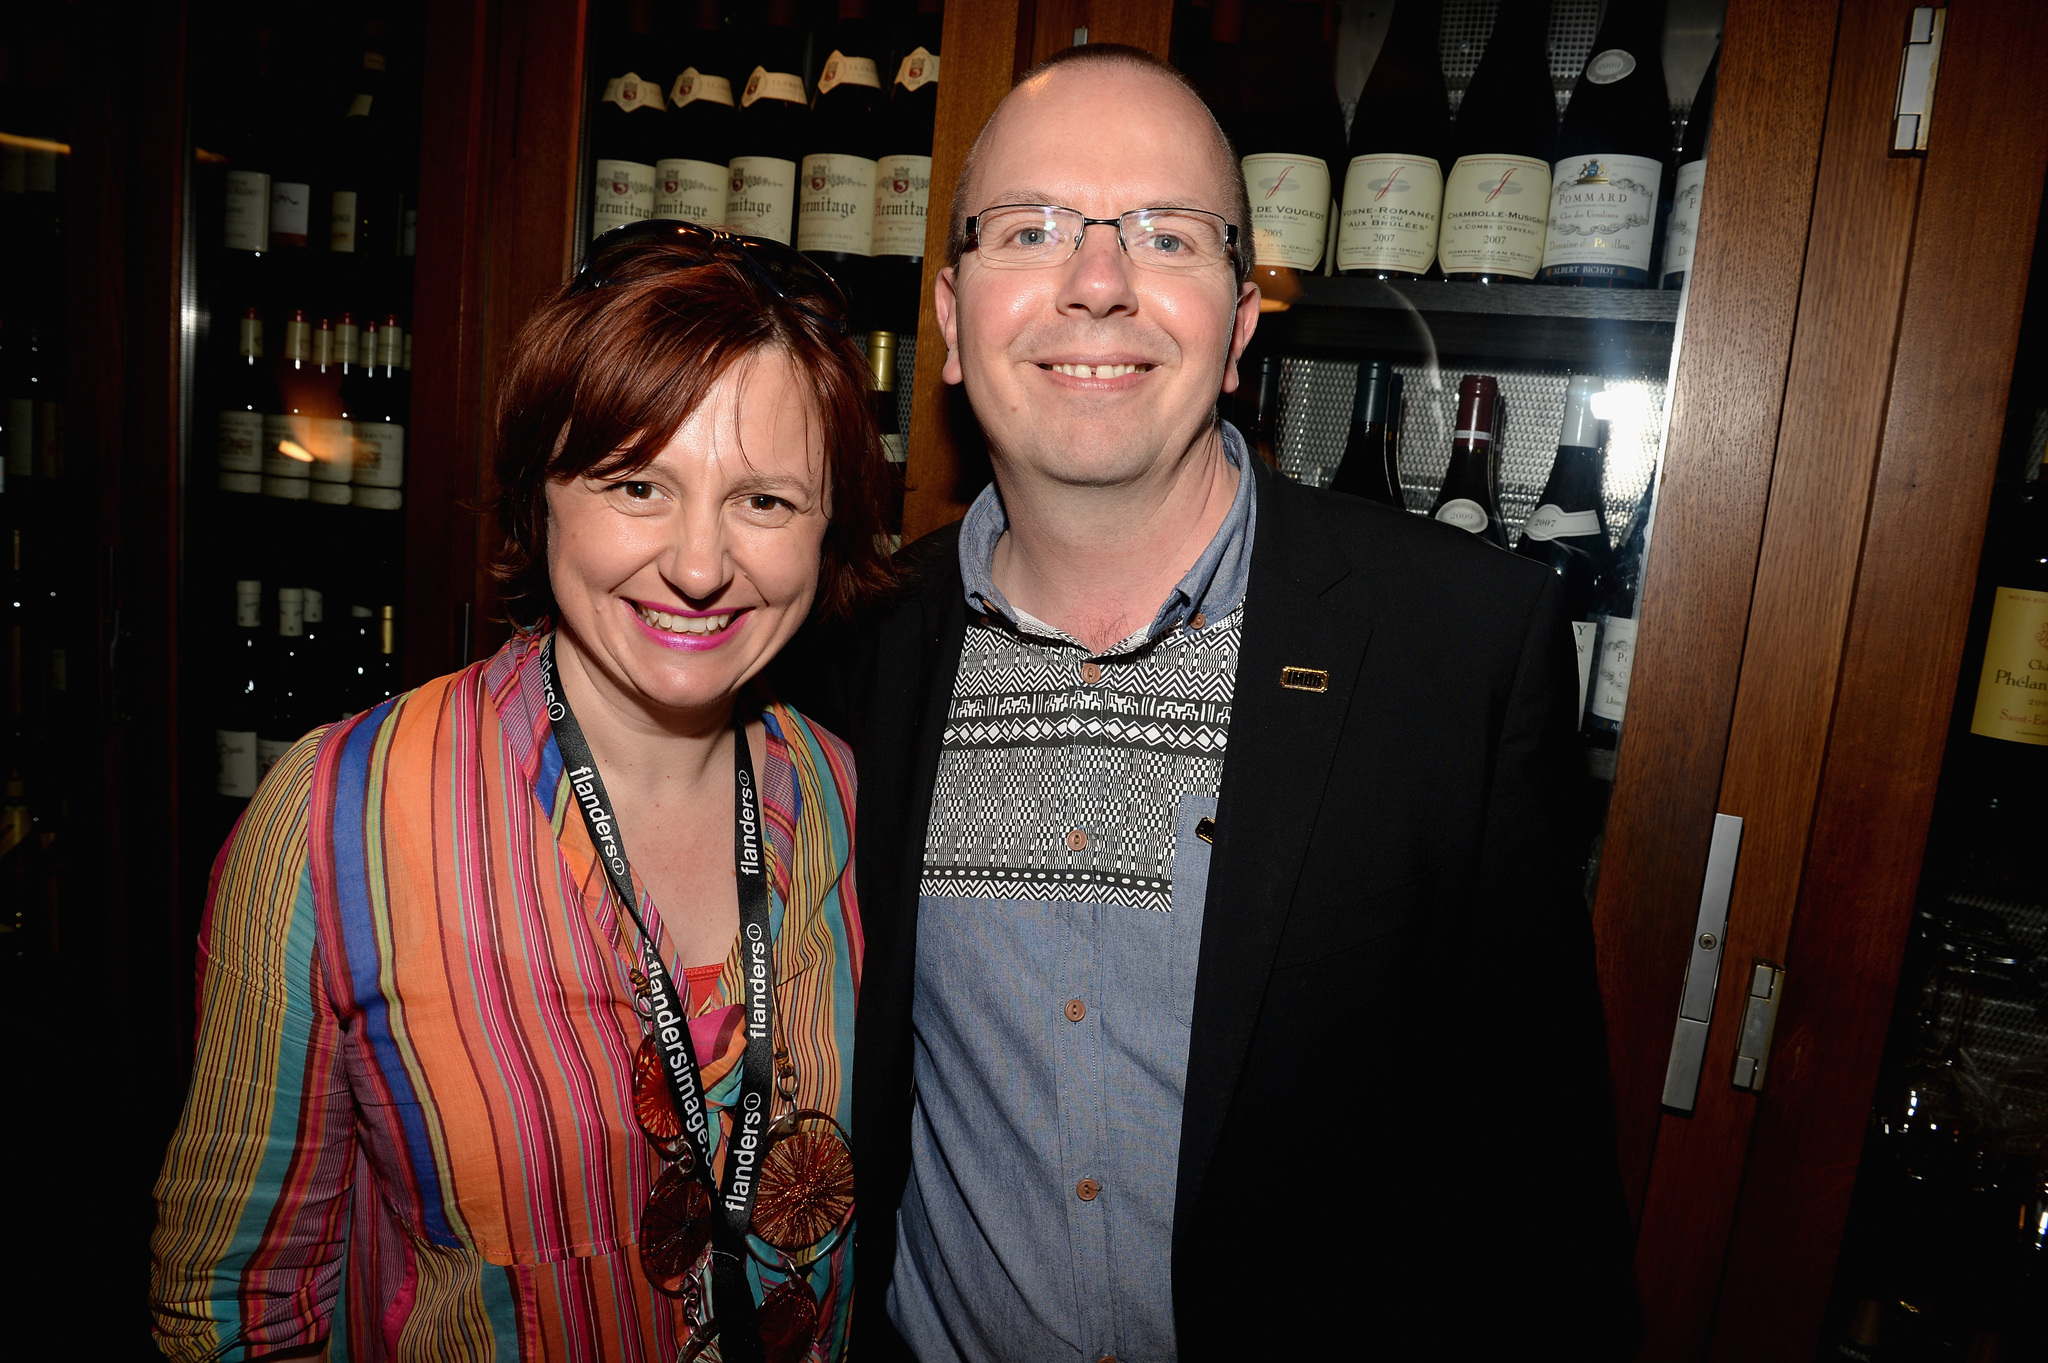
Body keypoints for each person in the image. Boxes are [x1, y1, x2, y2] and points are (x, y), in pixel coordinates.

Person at [823, 46, 1638, 1360]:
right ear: (955, 319)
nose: (1098, 281)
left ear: (1244, 322)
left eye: (1167, 234)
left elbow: (1541, 1196)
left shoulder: (1461, 647)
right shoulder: (852, 645)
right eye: (1034, 230)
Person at [151, 223, 891, 1362]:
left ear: (828, 524)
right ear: (537, 494)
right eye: (636, 484)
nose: (699, 565)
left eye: (765, 502)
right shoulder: (333, 822)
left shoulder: (843, 797)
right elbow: (233, 1308)